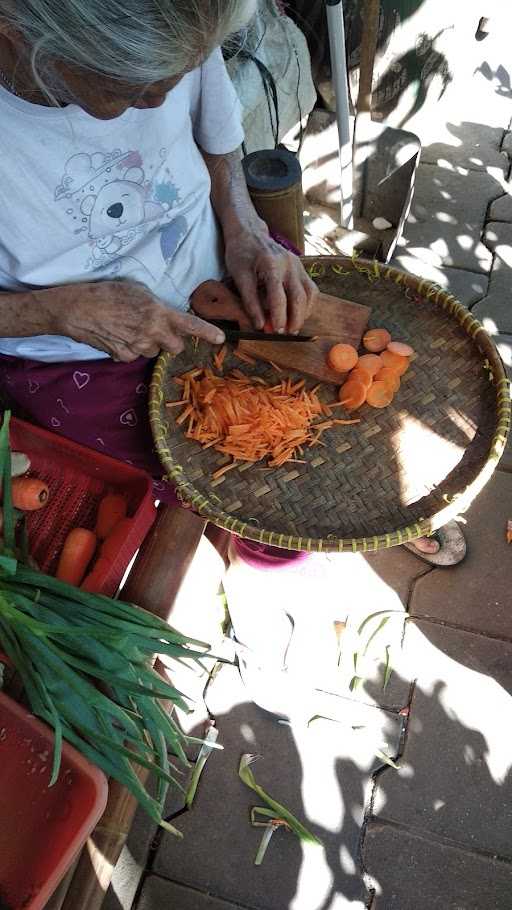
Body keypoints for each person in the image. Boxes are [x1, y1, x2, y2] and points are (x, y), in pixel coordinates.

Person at [0, 0, 462, 565]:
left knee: (325, 439)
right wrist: (55, 312)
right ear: (17, 36)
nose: (156, 103)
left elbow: (216, 142)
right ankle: (230, 546)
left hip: (224, 266)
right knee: (199, 491)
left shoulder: (174, 20)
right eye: (129, 91)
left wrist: (245, 227)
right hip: (79, 353)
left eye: (177, 77)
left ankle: (273, 542)